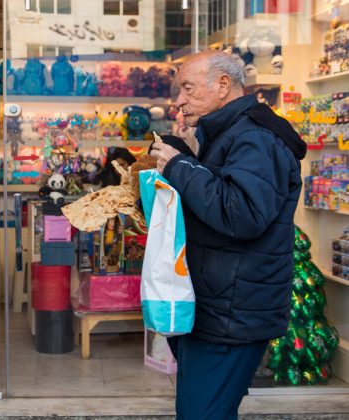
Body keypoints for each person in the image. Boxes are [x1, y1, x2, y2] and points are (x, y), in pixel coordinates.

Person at [150, 50, 306, 419]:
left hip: (231, 317)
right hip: (216, 310)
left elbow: (242, 214)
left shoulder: (257, 138)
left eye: (187, 88)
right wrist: (180, 161)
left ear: (222, 85)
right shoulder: (229, 134)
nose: (179, 100)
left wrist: (180, 165)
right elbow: (213, 202)